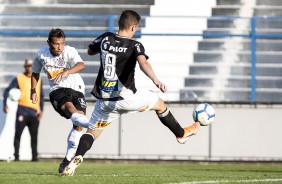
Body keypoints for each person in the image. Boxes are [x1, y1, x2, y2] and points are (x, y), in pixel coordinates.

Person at [63, 10, 200, 176]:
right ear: (133, 27)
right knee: (159, 103)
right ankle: (181, 134)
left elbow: (90, 51)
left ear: (120, 24)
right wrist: (155, 80)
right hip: (126, 97)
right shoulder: (135, 45)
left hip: (105, 99)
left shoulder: (106, 38)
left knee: (92, 132)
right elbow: (143, 63)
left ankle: (77, 157)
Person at [30, 28, 89, 173]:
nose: (59, 47)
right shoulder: (41, 54)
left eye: (62, 43)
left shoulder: (69, 51)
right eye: (56, 44)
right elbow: (35, 73)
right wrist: (33, 90)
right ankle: (93, 124)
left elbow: (81, 65)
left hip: (77, 89)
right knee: (71, 110)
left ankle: (67, 160)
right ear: (49, 43)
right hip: (57, 90)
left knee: (78, 124)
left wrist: (67, 71)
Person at [3, 58, 44, 162]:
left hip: (34, 112)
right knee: (18, 134)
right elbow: (7, 91)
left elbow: (41, 95)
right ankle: (16, 156)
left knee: (34, 136)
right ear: (25, 67)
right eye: (27, 66)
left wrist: (41, 110)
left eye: (31, 65)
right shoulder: (19, 78)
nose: (29, 68)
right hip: (22, 110)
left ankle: (34, 157)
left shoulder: (38, 78)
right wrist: (5, 104)